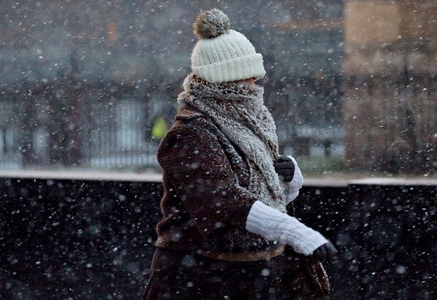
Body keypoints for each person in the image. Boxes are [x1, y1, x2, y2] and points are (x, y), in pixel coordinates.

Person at [142, 9, 337, 299]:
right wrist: (296, 232)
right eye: (248, 78)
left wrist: (290, 178)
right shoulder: (189, 134)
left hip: (254, 271)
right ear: (226, 80)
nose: (254, 86)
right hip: (198, 277)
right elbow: (224, 201)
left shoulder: (253, 121)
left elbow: (266, 194)